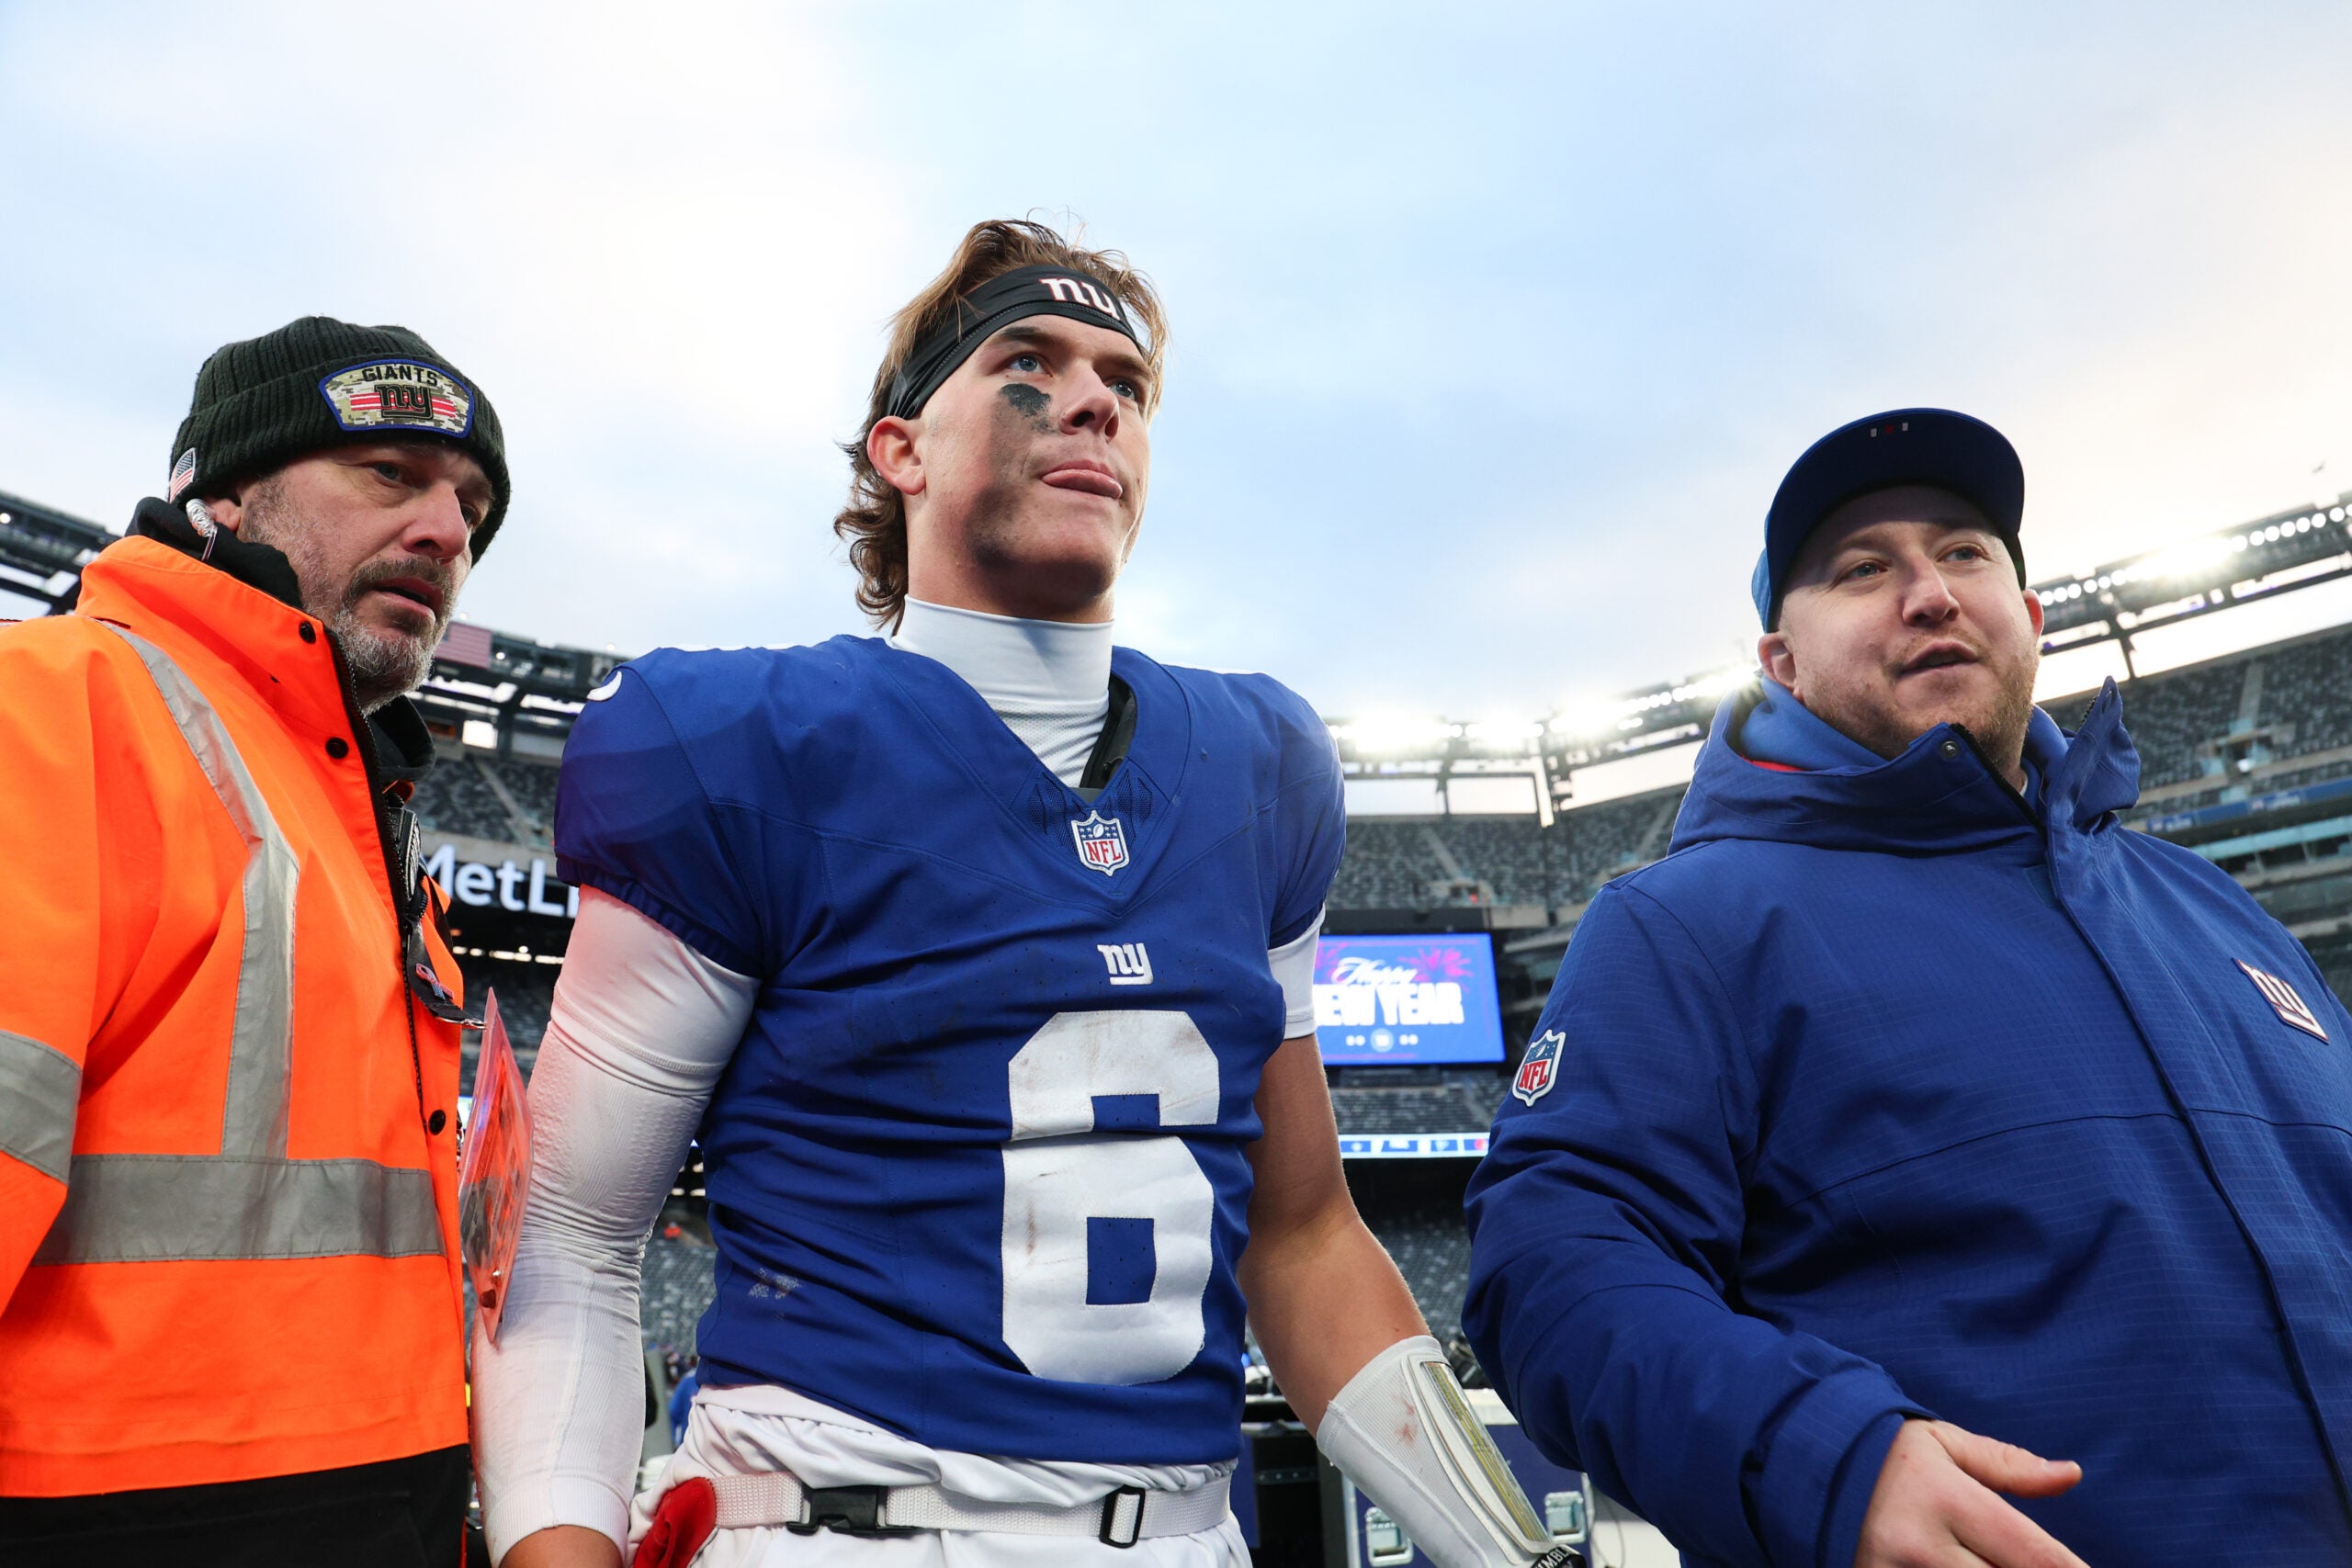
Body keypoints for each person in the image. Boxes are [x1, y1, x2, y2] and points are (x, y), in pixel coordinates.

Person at [473, 220, 1575, 1568]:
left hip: (1185, 1534)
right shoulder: (748, 747)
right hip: (846, 1528)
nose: (1094, 396)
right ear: (903, 449)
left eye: (1126, 379)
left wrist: (1516, 1551)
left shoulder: (1256, 768)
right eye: (1028, 360)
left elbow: (1301, 1237)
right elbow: (574, 1242)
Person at [1464, 407, 2352, 1566]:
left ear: (2027, 618)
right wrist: (1812, 1449)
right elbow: (1550, 1266)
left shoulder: (2209, 904)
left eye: (1965, 553)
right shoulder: (1688, 923)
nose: (1928, 592)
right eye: (1862, 569)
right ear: (1779, 662)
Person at [0, 317, 511, 1564]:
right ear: (224, 492)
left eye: (471, 505)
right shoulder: (56, 706)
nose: (446, 531)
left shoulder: (365, 831)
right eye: (389, 475)